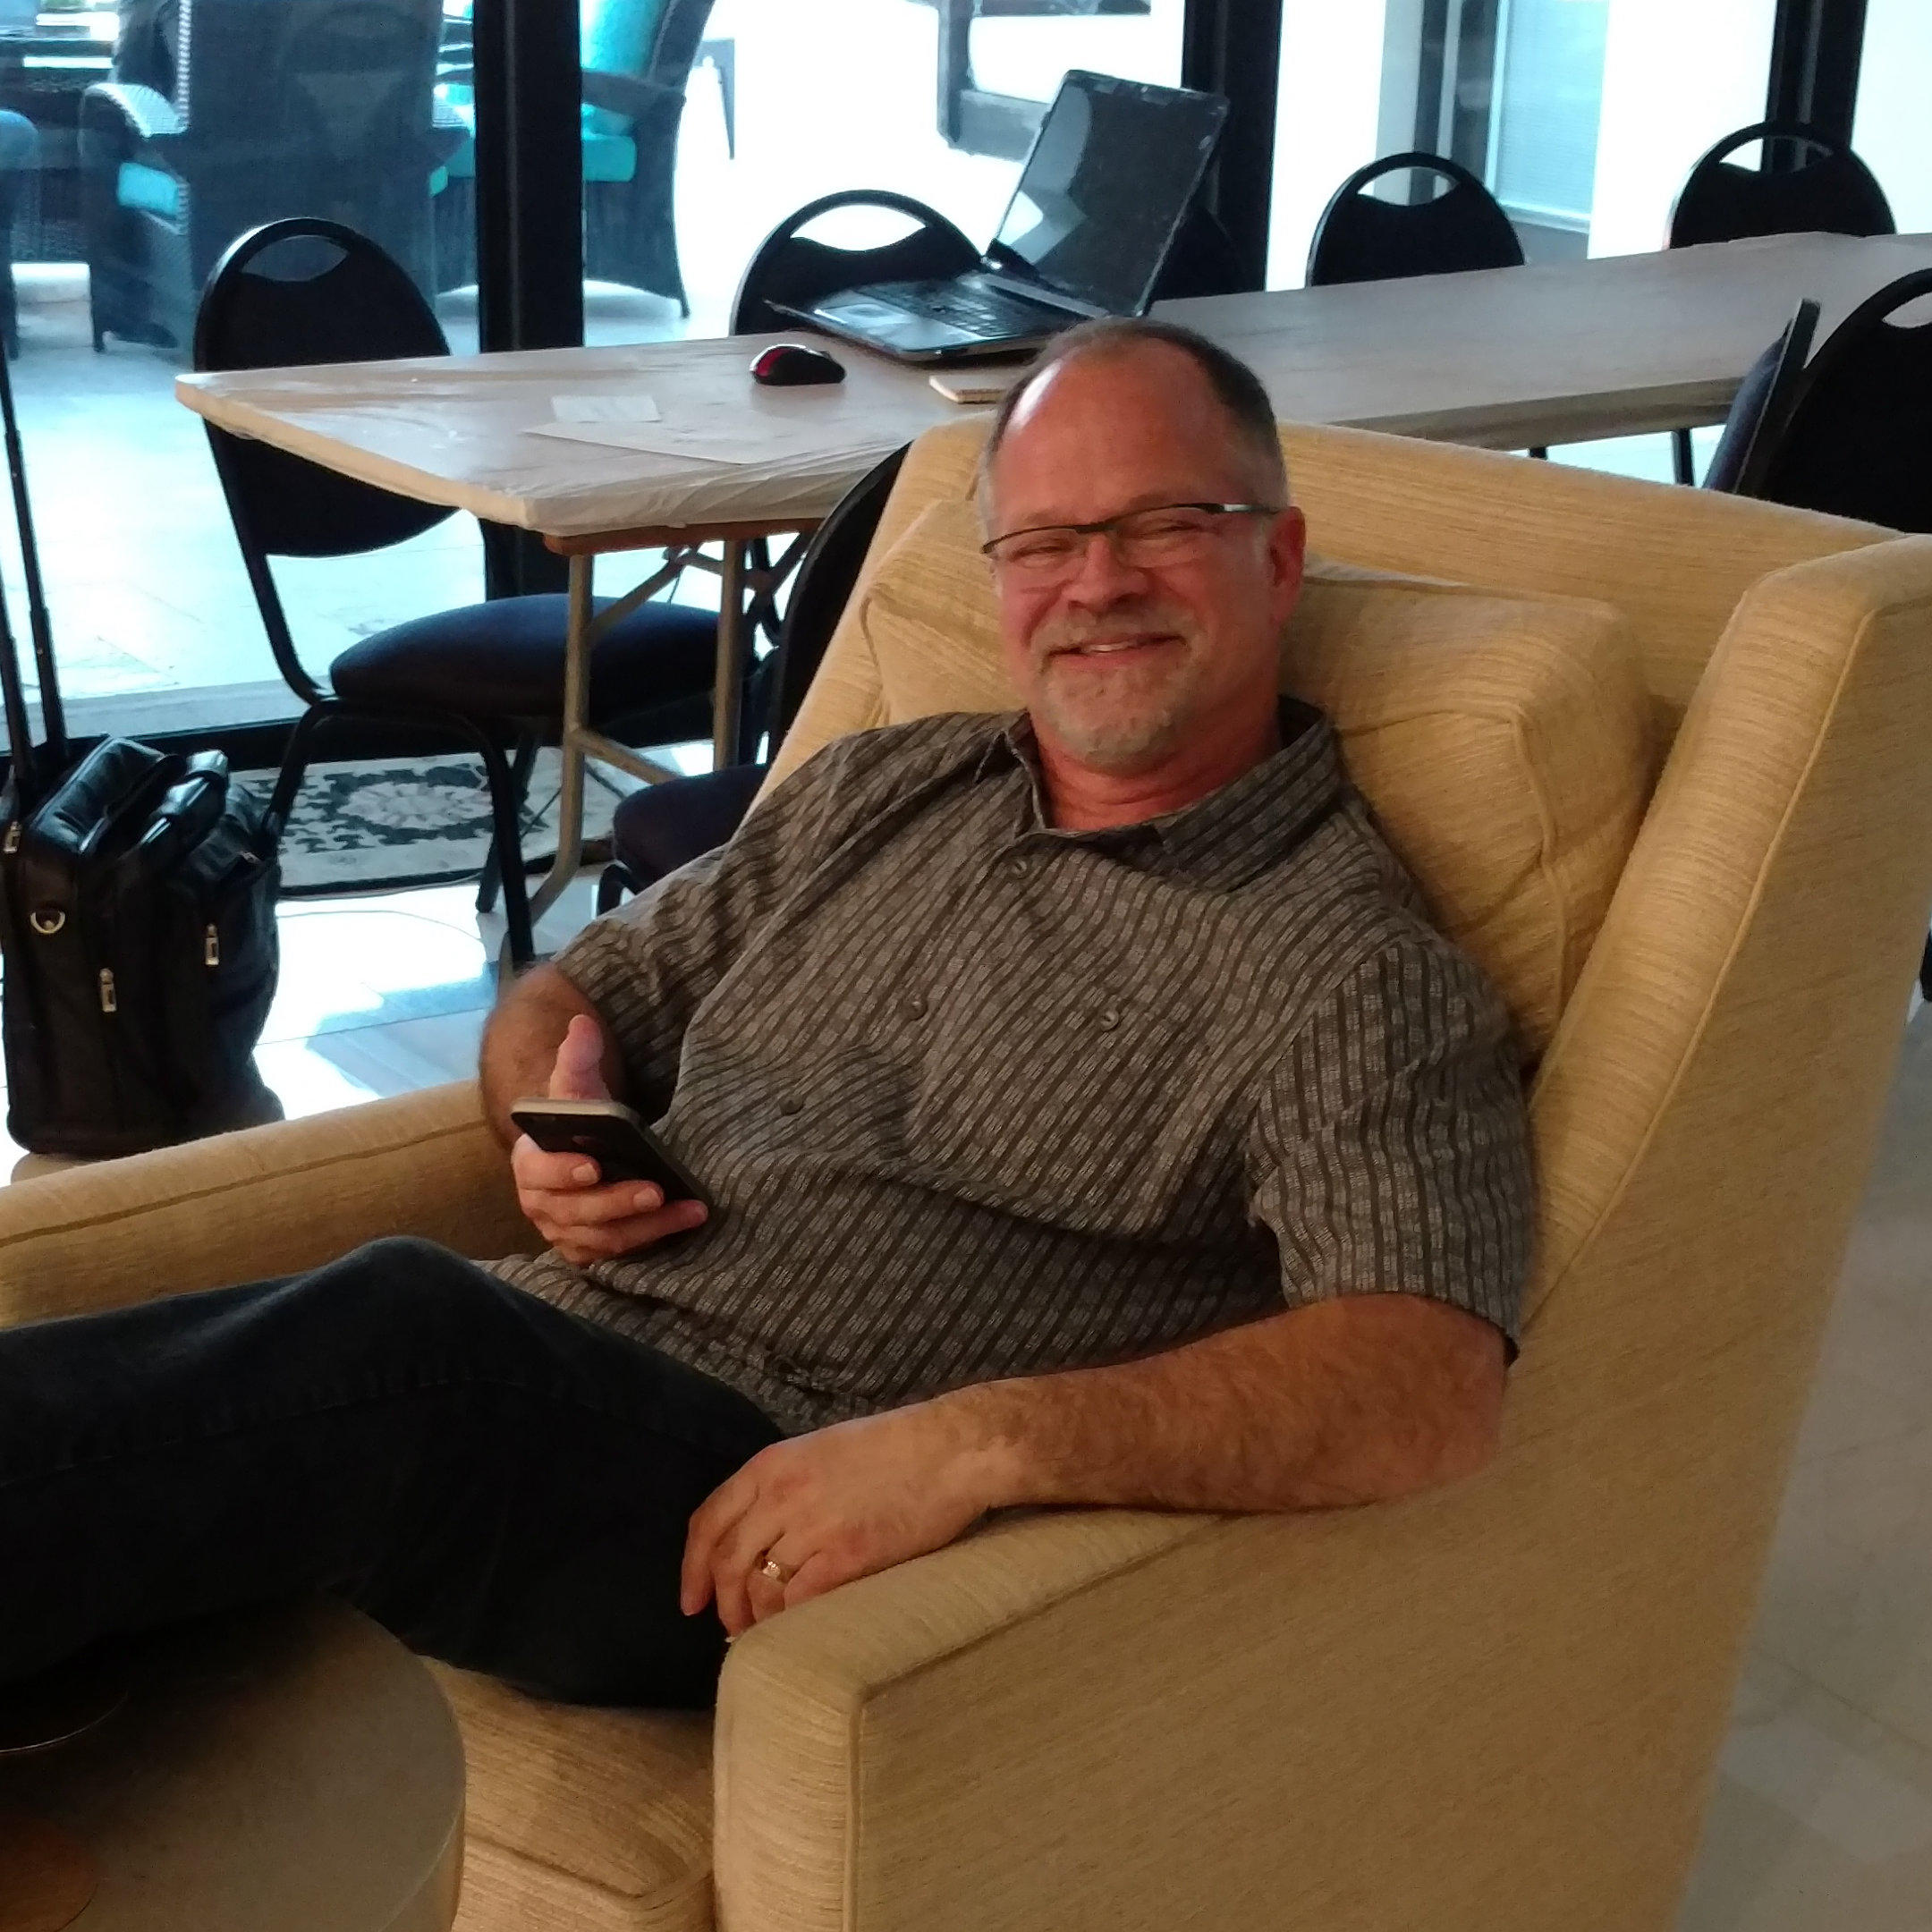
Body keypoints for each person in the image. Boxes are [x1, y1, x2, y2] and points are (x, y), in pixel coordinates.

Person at [0, 319, 1532, 1712]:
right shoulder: (887, 785)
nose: (1097, 582)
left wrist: (980, 1441)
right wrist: (550, 1121)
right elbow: (568, 990)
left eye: (1163, 525)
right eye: (1045, 540)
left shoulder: (1346, 962)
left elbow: (1424, 1382)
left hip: (759, 1485)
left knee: (400, 1336)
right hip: (559, 1358)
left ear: (1278, 558)